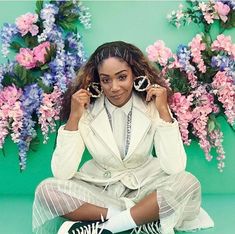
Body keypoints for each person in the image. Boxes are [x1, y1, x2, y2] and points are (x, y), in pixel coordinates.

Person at [32, 41, 214, 234]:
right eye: (106, 80)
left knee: (187, 182)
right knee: (46, 189)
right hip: (101, 189)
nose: (114, 87)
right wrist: (74, 117)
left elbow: (175, 167)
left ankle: (107, 228)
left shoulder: (152, 104)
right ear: (98, 80)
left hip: (146, 188)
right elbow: (62, 172)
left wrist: (163, 110)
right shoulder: (86, 108)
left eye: (122, 77)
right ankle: (139, 219)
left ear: (134, 74)